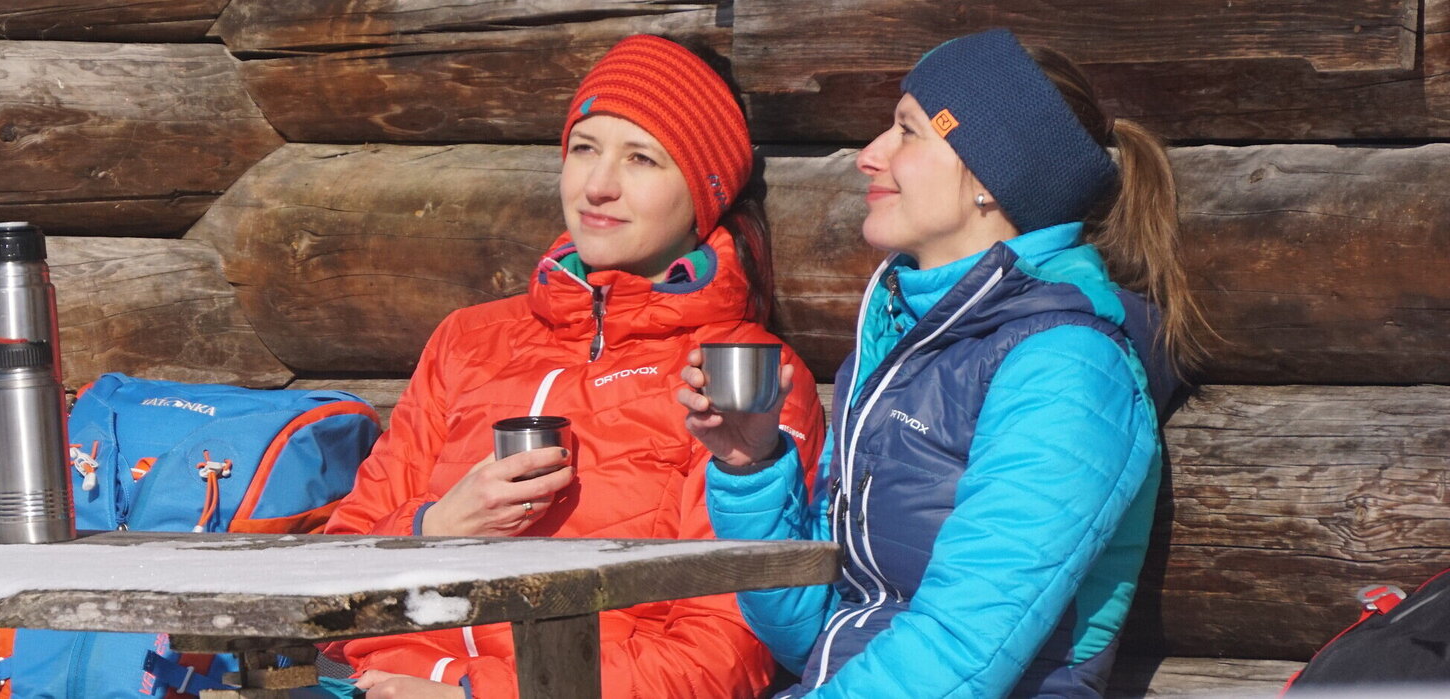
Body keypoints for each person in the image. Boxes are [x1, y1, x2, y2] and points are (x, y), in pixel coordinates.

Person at [680, 28, 1213, 697]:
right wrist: (750, 466)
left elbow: (959, 650)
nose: (868, 156)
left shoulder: (1069, 370)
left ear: (991, 175)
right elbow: (815, 633)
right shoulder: (903, 343)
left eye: (907, 131)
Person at [326, 35, 826, 699]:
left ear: (703, 195)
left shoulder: (740, 376)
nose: (598, 185)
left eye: (642, 158)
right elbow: (326, 581)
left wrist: (479, 695)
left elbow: (720, 654)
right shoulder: (467, 340)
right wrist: (437, 528)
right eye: (583, 148)